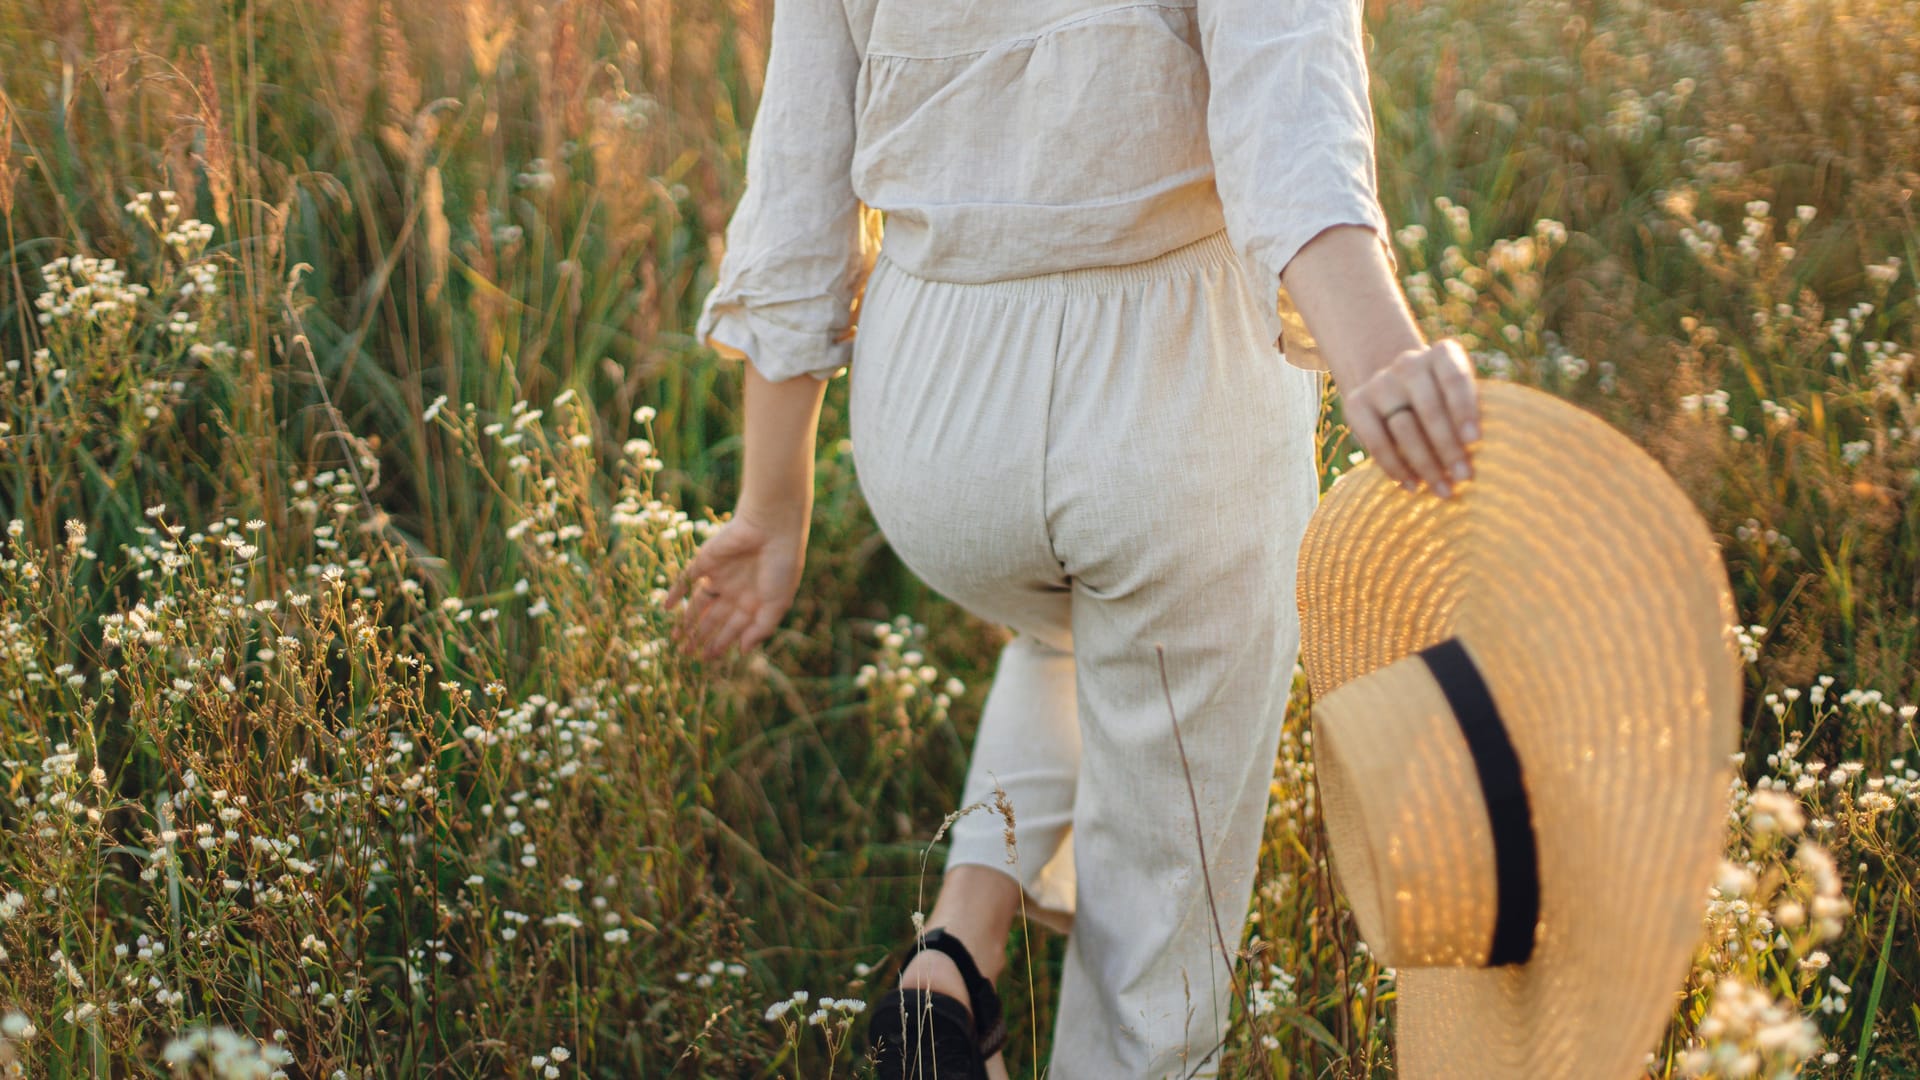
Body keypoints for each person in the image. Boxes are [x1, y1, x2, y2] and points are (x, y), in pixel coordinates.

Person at [664, 0, 1481, 1072]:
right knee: (1161, 923)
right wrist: (1377, 356)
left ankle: (953, 955)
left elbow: (800, 171)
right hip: (1169, 387)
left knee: (1071, 635)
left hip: (936, 426)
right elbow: (1287, 109)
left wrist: (771, 508)